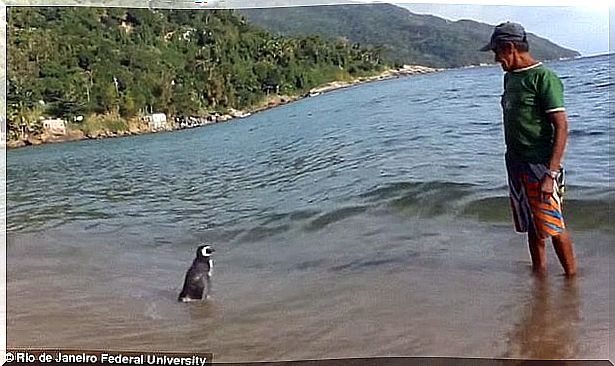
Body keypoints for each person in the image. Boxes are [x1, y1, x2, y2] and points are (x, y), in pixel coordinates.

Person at [481, 22, 577, 276]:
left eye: (497, 52)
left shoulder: (543, 78)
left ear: (510, 47)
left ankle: (571, 281)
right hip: (515, 162)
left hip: (540, 164)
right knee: (532, 224)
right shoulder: (510, 77)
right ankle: (540, 278)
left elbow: (562, 127)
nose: (495, 58)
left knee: (553, 224)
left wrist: (550, 174)